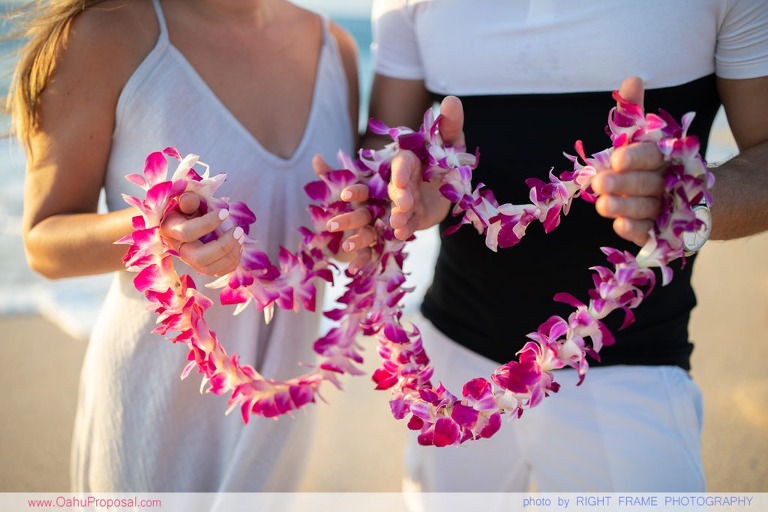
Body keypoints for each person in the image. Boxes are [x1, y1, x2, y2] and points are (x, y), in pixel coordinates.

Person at [356, 0, 768, 495]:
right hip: (449, 360)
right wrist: (405, 184)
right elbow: (385, 145)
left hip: (633, 374)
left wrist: (690, 202)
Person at [6, 0, 365, 492]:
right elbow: (42, 242)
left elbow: (333, 233)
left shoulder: (336, 47)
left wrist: (366, 224)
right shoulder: (106, 35)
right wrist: (156, 226)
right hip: (153, 414)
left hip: (281, 409)